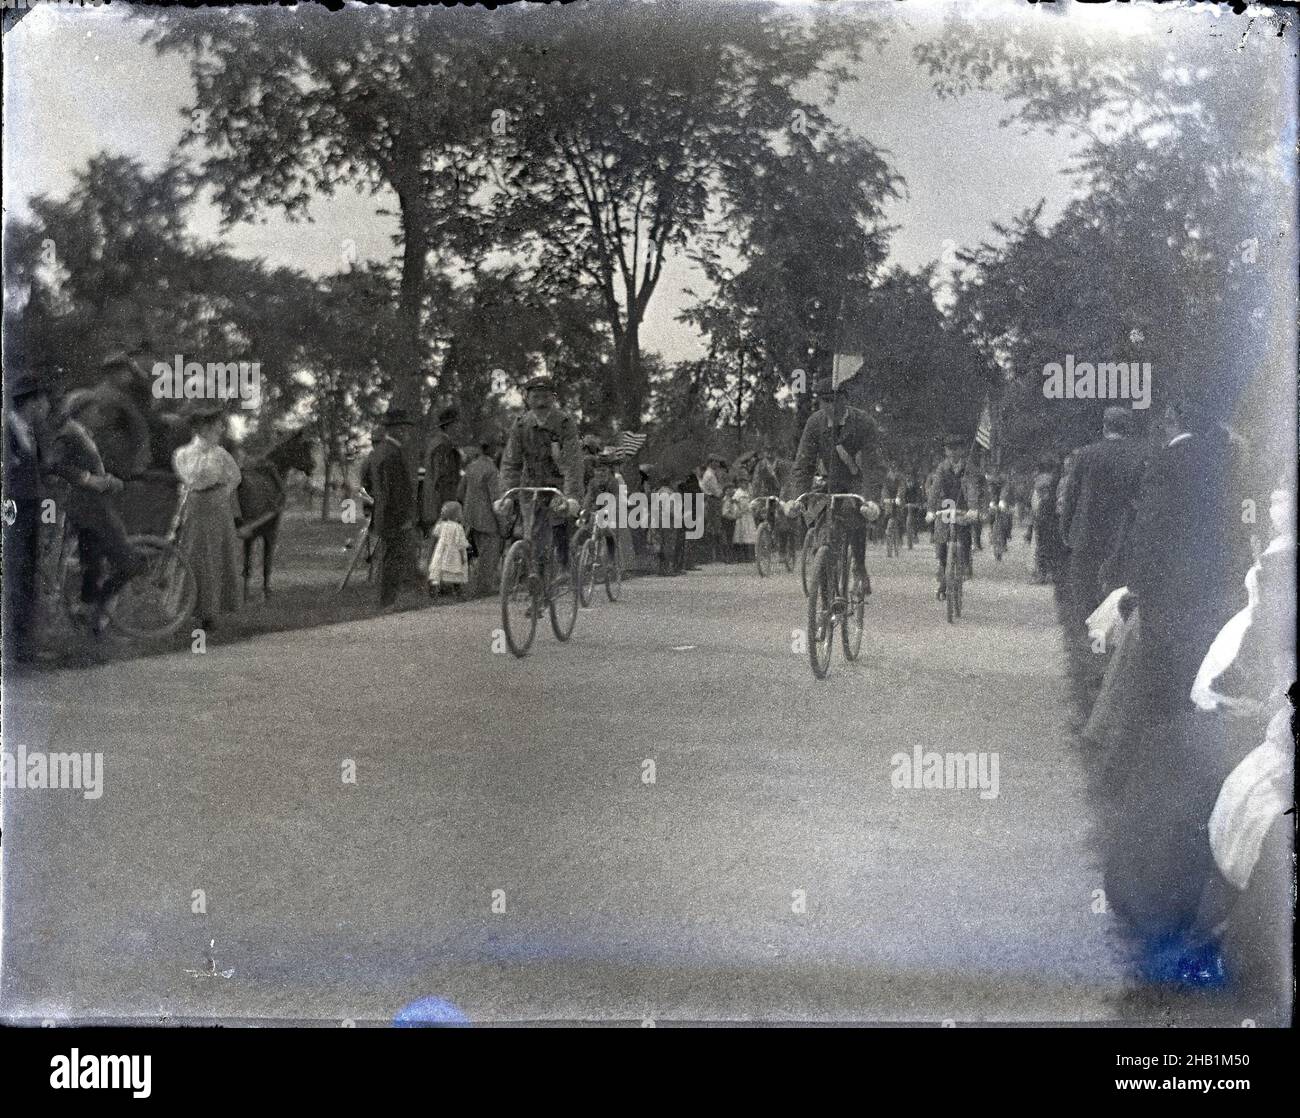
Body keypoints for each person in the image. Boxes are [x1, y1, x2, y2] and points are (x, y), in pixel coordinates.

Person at [45, 397, 146, 632]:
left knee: (94, 565)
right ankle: (94, 607)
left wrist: (107, 481)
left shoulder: (81, 433)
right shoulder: (69, 434)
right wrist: (94, 481)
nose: (98, 413)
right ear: (80, 411)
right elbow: (56, 465)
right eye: (94, 409)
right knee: (129, 564)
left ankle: (90, 617)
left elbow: (88, 470)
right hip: (90, 510)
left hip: (92, 508)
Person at [1058, 406, 1147, 644]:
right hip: (1122, 535)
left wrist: (1066, 530)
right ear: (1127, 428)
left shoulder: (1086, 454)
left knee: (1085, 591)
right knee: (1117, 592)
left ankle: (1092, 645)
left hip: (1087, 534)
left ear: (1105, 427)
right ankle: (1114, 645)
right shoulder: (1138, 455)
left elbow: (1071, 497)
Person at [788, 373, 882, 592]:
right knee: (817, 514)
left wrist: (872, 500)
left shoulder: (864, 423)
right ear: (820, 402)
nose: (831, 405)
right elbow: (803, 463)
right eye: (825, 400)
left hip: (856, 481)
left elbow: (873, 465)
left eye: (835, 399)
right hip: (829, 481)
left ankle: (859, 566)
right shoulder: (815, 423)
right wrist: (799, 497)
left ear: (845, 399)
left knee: (858, 515)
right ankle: (822, 565)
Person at [494, 375, 582, 571]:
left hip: (558, 485)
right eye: (535, 396)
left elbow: (573, 463)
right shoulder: (521, 425)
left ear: (553, 398)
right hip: (531, 485)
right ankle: (534, 576)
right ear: (527, 398)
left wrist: (571, 496)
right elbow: (510, 463)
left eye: (545, 396)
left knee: (558, 526)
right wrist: (507, 494)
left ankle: (563, 567)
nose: (540, 402)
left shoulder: (565, 423)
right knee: (531, 534)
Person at [172, 402, 243, 628]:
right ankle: (189, 608)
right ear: (202, 429)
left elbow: (235, 477)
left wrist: (224, 492)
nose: (220, 431)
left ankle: (211, 613)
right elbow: (196, 478)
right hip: (196, 507)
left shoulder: (220, 454)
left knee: (217, 556)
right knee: (195, 555)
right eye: (216, 426)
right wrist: (214, 476)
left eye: (221, 426)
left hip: (217, 508)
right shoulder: (184, 454)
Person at [3, 371, 53, 663]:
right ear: (30, 402)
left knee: (28, 572)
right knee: (16, 571)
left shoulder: (30, 430)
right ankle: (15, 648)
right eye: (43, 400)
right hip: (14, 509)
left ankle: (25, 647)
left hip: (31, 506)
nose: (46, 407)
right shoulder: (8, 430)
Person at [361, 405, 418, 610]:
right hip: (394, 516)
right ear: (394, 429)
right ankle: (388, 601)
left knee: (390, 558)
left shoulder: (381, 451)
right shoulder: (392, 453)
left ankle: (388, 599)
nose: (406, 432)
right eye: (402, 428)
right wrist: (402, 517)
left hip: (385, 514)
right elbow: (392, 491)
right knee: (393, 559)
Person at [925, 434, 978, 599]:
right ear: (946, 451)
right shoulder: (942, 468)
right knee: (941, 540)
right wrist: (931, 510)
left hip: (963, 505)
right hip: (947, 504)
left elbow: (971, 488)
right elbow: (935, 489)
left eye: (956, 449)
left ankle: (965, 564)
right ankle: (943, 569)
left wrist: (973, 508)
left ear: (962, 450)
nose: (953, 452)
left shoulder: (968, 467)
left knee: (964, 537)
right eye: (949, 449)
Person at [458, 440, 503, 598]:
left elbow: (460, 492)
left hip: (470, 516)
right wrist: (502, 522)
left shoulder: (471, 466)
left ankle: (472, 586)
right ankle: (484, 588)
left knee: (472, 553)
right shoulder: (492, 470)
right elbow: (495, 498)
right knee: (488, 553)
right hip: (487, 519)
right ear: (492, 449)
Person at [419, 405, 462, 564]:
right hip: (441, 502)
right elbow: (441, 477)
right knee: (439, 543)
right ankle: (433, 583)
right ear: (450, 425)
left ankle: (435, 582)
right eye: (457, 424)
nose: (459, 428)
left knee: (439, 543)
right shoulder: (443, 445)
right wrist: (448, 505)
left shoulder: (437, 443)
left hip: (437, 501)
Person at [427, 499, 470, 599]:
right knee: (455, 572)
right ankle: (458, 592)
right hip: (454, 554)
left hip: (441, 552)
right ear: (456, 515)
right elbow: (460, 542)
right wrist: (462, 555)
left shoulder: (442, 525)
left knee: (438, 571)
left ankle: (434, 590)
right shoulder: (458, 527)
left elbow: (435, 533)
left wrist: (440, 520)